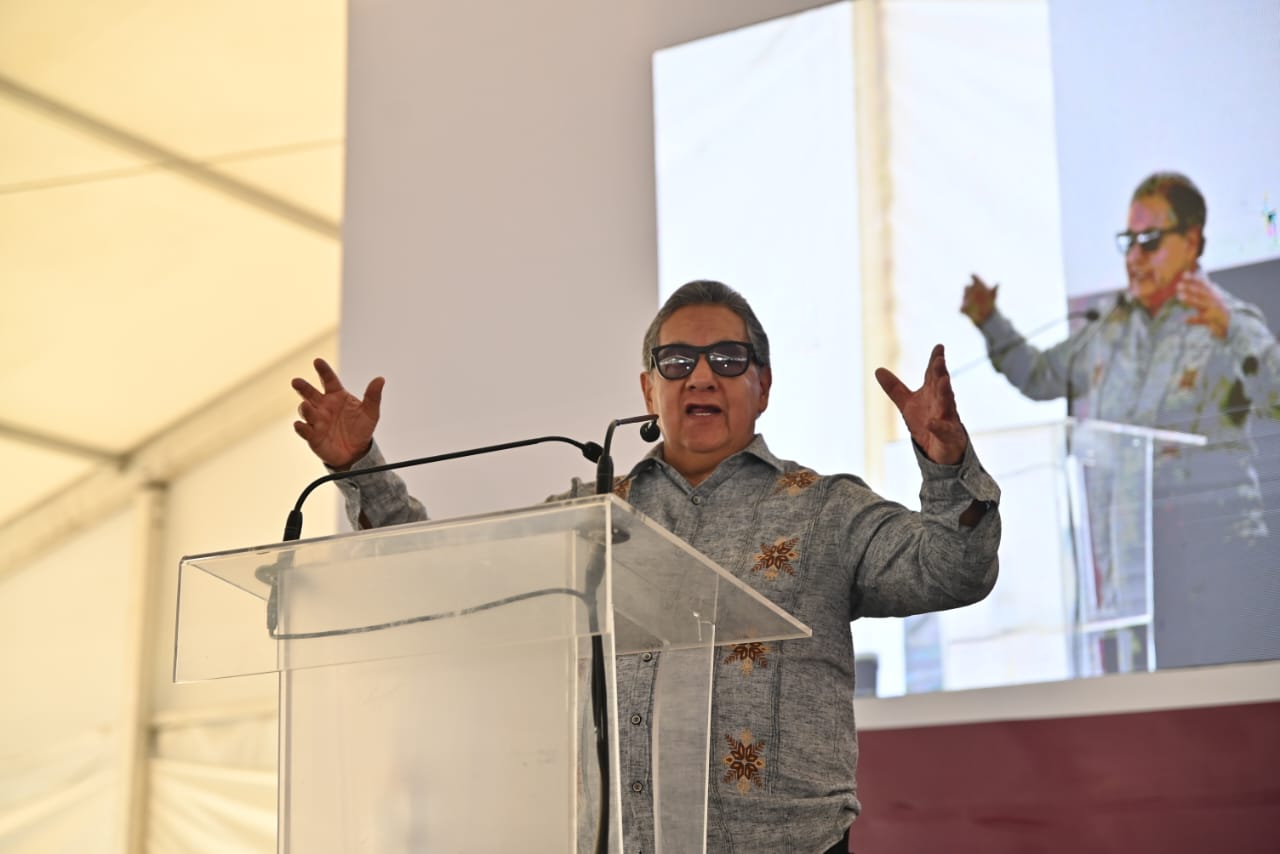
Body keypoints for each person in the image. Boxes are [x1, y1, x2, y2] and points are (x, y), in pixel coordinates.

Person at [292, 280, 1001, 853]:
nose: (702, 376)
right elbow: (448, 584)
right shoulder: (591, 515)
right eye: (677, 361)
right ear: (647, 390)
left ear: (763, 387)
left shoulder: (825, 510)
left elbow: (954, 569)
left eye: (728, 360)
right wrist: (360, 469)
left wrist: (946, 467)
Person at [961, 171, 1280, 669]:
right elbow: (1041, 376)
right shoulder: (1109, 327)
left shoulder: (1226, 320)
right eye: (1127, 242)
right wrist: (990, 322)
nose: (1134, 256)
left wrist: (1232, 332)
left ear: (1191, 240)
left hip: (1218, 569)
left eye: (1148, 240)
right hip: (1130, 578)